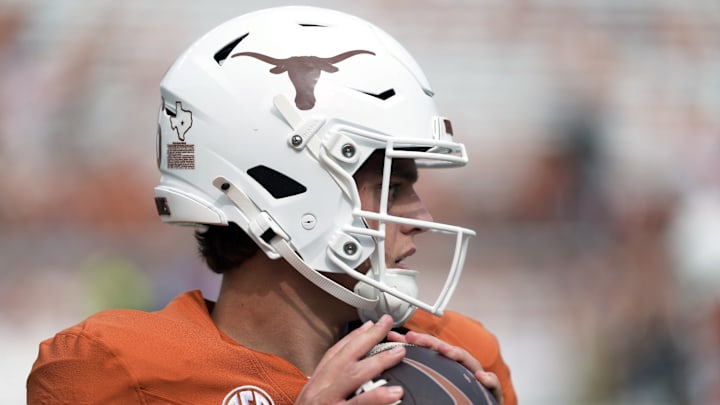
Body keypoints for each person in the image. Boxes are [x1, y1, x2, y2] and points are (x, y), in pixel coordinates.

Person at [27, 6, 517, 405]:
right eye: (391, 189)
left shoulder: (460, 357)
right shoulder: (118, 370)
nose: (423, 219)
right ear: (286, 187)